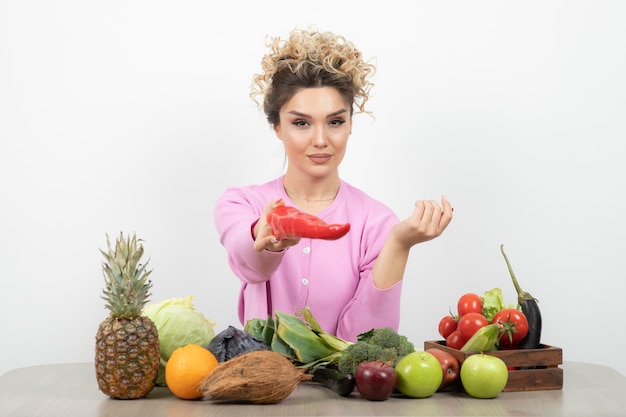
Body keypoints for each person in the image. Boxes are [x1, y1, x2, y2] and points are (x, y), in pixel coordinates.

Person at [214, 28, 453, 342]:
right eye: (301, 122)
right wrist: (266, 237)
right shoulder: (240, 205)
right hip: (266, 387)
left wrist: (398, 244)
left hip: (341, 391)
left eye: (335, 121)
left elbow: (362, 342)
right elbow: (252, 267)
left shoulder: (377, 222)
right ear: (276, 126)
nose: (320, 140)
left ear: (351, 123)